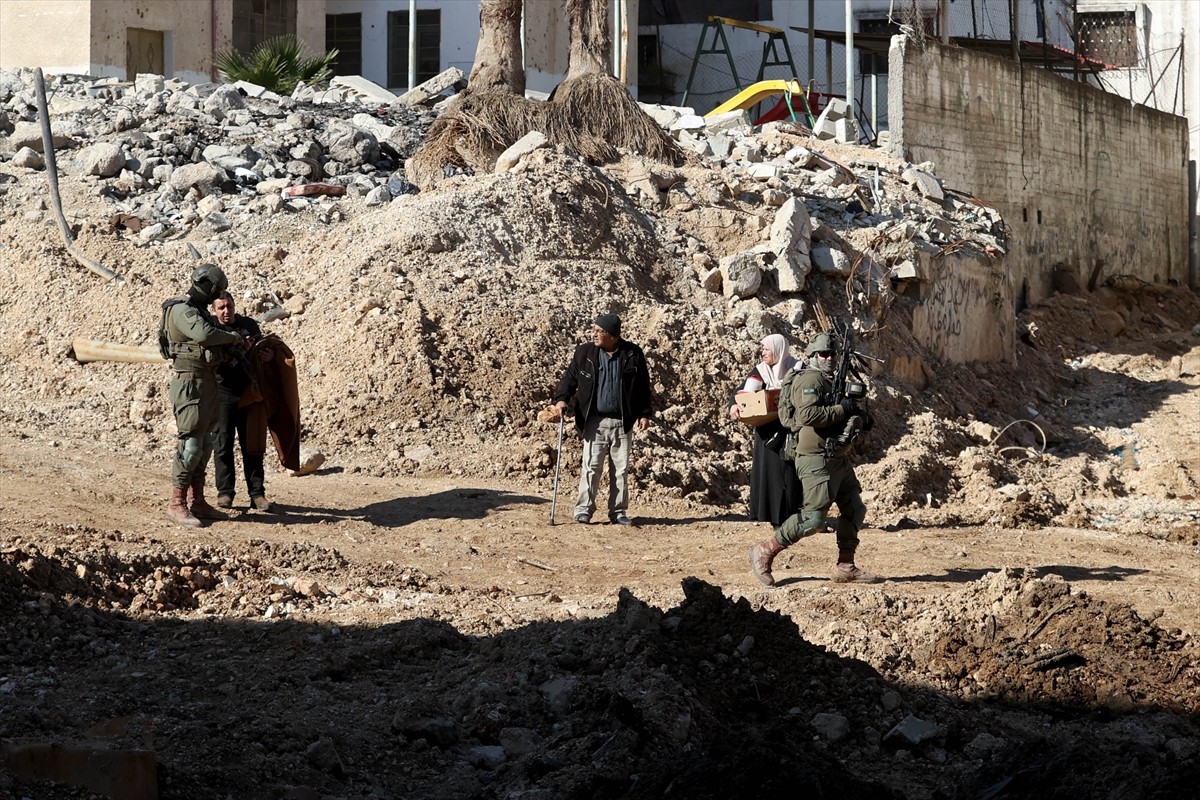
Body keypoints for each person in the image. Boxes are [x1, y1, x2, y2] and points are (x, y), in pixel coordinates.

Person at [748, 331, 879, 585]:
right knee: (813, 519)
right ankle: (764, 551)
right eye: (823, 354)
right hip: (815, 458)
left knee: (854, 509)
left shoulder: (832, 381)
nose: (829, 358)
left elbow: (842, 412)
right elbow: (808, 415)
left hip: (838, 456)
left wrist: (859, 417)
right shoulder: (808, 379)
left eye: (833, 354)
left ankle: (845, 565)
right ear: (812, 356)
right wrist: (843, 409)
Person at [548, 314, 652, 526]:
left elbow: (643, 387)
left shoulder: (633, 354)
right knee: (591, 466)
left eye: (599, 331)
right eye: (594, 329)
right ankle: (583, 510)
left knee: (621, 470)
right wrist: (561, 399)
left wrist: (644, 413)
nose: (594, 334)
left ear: (612, 336)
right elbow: (570, 378)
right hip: (594, 421)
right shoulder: (585, 353)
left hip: (623, 422)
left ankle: (618, 512)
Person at [161, 264, 245, 527]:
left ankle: (198, 501)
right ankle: (177, 503)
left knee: (205, 446)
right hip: (190, 384)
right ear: (207, 285)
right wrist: (231, 339)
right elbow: (204, 334)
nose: (218, 295)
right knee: (191, 446)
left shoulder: (200, 312)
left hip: (206, 383)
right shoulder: (181, 309)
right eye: (217, 290)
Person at [728, 334, 803, 526]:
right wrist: (734, 406)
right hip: (767, 432)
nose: (763, 353)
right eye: (762, 349)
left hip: (791, 431)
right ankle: (770, 516)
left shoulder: (798, 368)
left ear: (778, 349)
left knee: (791, 474)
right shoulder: (760, 372)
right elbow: (743, 392)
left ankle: (794, 516)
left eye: (766, 349)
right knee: (770, 475)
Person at [211, 291, 273, 512]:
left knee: (252, 446)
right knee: (223, 444)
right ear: (214, 310)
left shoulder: (249, 325)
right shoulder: (211, 328)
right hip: (222, 393)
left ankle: (257, 494)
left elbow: (263, 351)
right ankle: (225, 492)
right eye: (221, 308)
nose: (226, 311)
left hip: (249, 394)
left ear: (234, 305)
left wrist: (269, 357)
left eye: (229, 306)